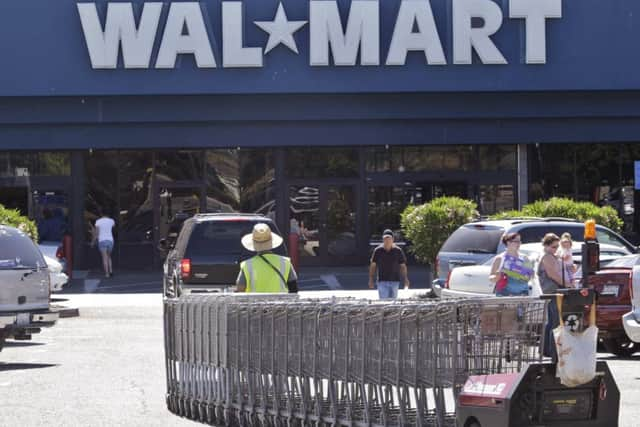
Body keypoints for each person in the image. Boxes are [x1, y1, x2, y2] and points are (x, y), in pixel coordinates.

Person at [236, 223, 298, 293]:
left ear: (254, 243)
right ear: (271, 241)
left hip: (255, 303)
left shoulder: (247, 265)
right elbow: (294, 289)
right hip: (280, 303)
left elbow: (240, 289)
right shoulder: (285, 263)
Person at [538, 233, 565, 360]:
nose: (556, 249)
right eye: (554, 247)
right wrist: (567, 284)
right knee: (554, 321)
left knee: (551, 321)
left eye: (557, 247)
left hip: (551, 291)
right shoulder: (547, 257)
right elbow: (553, 274)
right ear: (547, 245)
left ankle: (545, 349)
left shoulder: (551, 256)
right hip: (552, 291)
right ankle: (549, 350)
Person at [368, 229, 410, 299]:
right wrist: (371, 279)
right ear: (383, 240)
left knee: (393, 303)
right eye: (385, 239)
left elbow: (403, 266)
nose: (387, 241)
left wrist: (405, 278)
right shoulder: (378, 251)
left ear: (393, 239)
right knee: (384, 303)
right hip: (382, 281)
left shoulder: (398, 251)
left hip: (395, 281)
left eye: (389, 239)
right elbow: (373, 266)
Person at [489, 232, 533, 296]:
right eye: (516, 241)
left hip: (522, 294)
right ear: (508, 242)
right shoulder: (500, 258)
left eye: (520, 241)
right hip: (504, 293)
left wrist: (527, 274)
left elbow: (529, 276)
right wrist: (496, 277)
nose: (519, 244)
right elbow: (491, 277)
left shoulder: (525, 258)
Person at [94, 209, 115, 278]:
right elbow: (113, 226)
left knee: (104, 258)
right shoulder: (111, 221)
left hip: (102, 240)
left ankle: (107, 274)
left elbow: (97, 233)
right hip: (110, 240)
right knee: (109, 256)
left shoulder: (98, 222)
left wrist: (93, 240)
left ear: (101, 214)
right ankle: (111, 271)